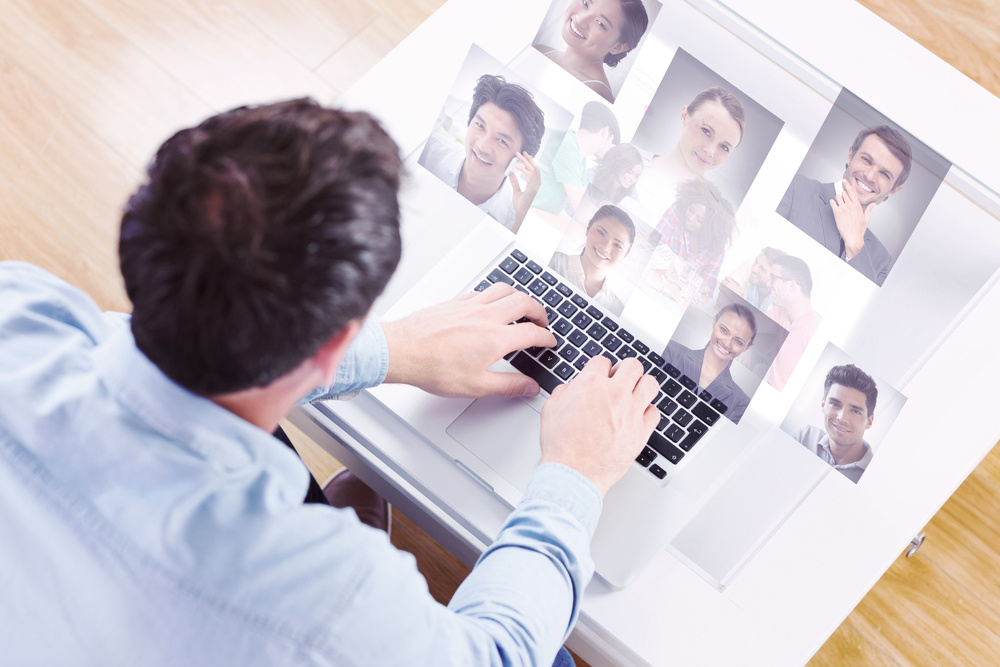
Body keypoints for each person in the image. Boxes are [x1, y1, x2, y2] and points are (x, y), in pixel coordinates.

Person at [0, 99, 661, 665]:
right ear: (333, 342)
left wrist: (390, 349)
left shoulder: (19, 310)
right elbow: (496, 652)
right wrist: (574, 473)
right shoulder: (326, 599)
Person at [776, 125, 912, 287]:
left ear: (894, 190)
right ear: (850, 155)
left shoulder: (881, 260)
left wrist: (856, 246)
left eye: (884, 174)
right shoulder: (793, 188)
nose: (869, 176)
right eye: (866, 160)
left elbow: (857, 307)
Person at [419, 74, 545, 232]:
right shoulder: (428, 149)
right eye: (480, 125)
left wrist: (520, 219)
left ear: (519, 161)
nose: (482, 146)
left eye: (501, 141)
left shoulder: (515, 218)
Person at [637, 86, 745, 217]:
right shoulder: (627, 157)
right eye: (706, 131)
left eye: (724, 147)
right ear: (684, 116)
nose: (710, 151)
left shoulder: (714, 217)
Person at [536, 0, 650, 102]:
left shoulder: (596, 94)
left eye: (600, 23)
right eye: (586, 3)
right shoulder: (540, 49)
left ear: (618, 47)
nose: (580, 19)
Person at [662, 303, 756, 424]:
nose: (727, 344)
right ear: (714, 322)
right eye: (724, 330)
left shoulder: (740, 402)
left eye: (738, 342)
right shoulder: (672, 351)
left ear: (747, 347)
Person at [648, 177, 736, 296]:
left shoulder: (716, 251)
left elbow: (705, 292)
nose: (690, 217)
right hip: (652, 282)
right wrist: (690, 277)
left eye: (699, 219)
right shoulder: (676, 211)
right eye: (691, 209)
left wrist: (674, 267)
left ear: (709, 227)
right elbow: (653, 245)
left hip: (678, 300)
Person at [533, 100, 621, 216]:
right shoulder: (569, 147)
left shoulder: (580, 155)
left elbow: (583, 198)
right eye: (611, 141)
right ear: (604, 132)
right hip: (532, 216)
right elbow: (579, 208)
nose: (609, 147)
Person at [795, 364, 878, 483]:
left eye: (855, 411)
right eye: (835, 404)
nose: (842, 418)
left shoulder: (872, 476)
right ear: (823, 404)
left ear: (869, 421)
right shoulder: (804, 437)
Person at [549, 204, 635, 315]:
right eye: (601, 232)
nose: (606, 247)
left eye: (617, 245)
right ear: (588, 228)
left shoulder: (616, 308)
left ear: (625, 256)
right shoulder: (553, 261)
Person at [764, 254, 823, 391]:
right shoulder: (781, 313)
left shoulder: (814, 332)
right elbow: (747, 321)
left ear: (791, 285)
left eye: (773, 278)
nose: (768, 283)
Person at [573, 142, 643, 223]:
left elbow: (636, 217)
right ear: (618, 165)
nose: (632, 179)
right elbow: (574, 207)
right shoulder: (590, 176)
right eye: (629, 172)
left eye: (637, 176)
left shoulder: (631, 190)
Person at [719, 246, 786, 310]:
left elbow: (763, 322)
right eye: (756, 261)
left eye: (762, 269)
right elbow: (721, 301)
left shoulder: (782, 298)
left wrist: (738, 299)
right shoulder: (748, 266)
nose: (753, 269)